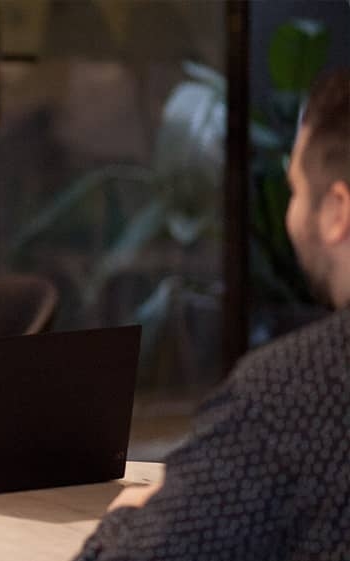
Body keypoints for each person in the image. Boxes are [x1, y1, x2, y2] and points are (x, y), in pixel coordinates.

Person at [73, 69, 350, 560]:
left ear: (337, 211)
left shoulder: (293, 394)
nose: (290, 214)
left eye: (296, 190)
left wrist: (129, 515)